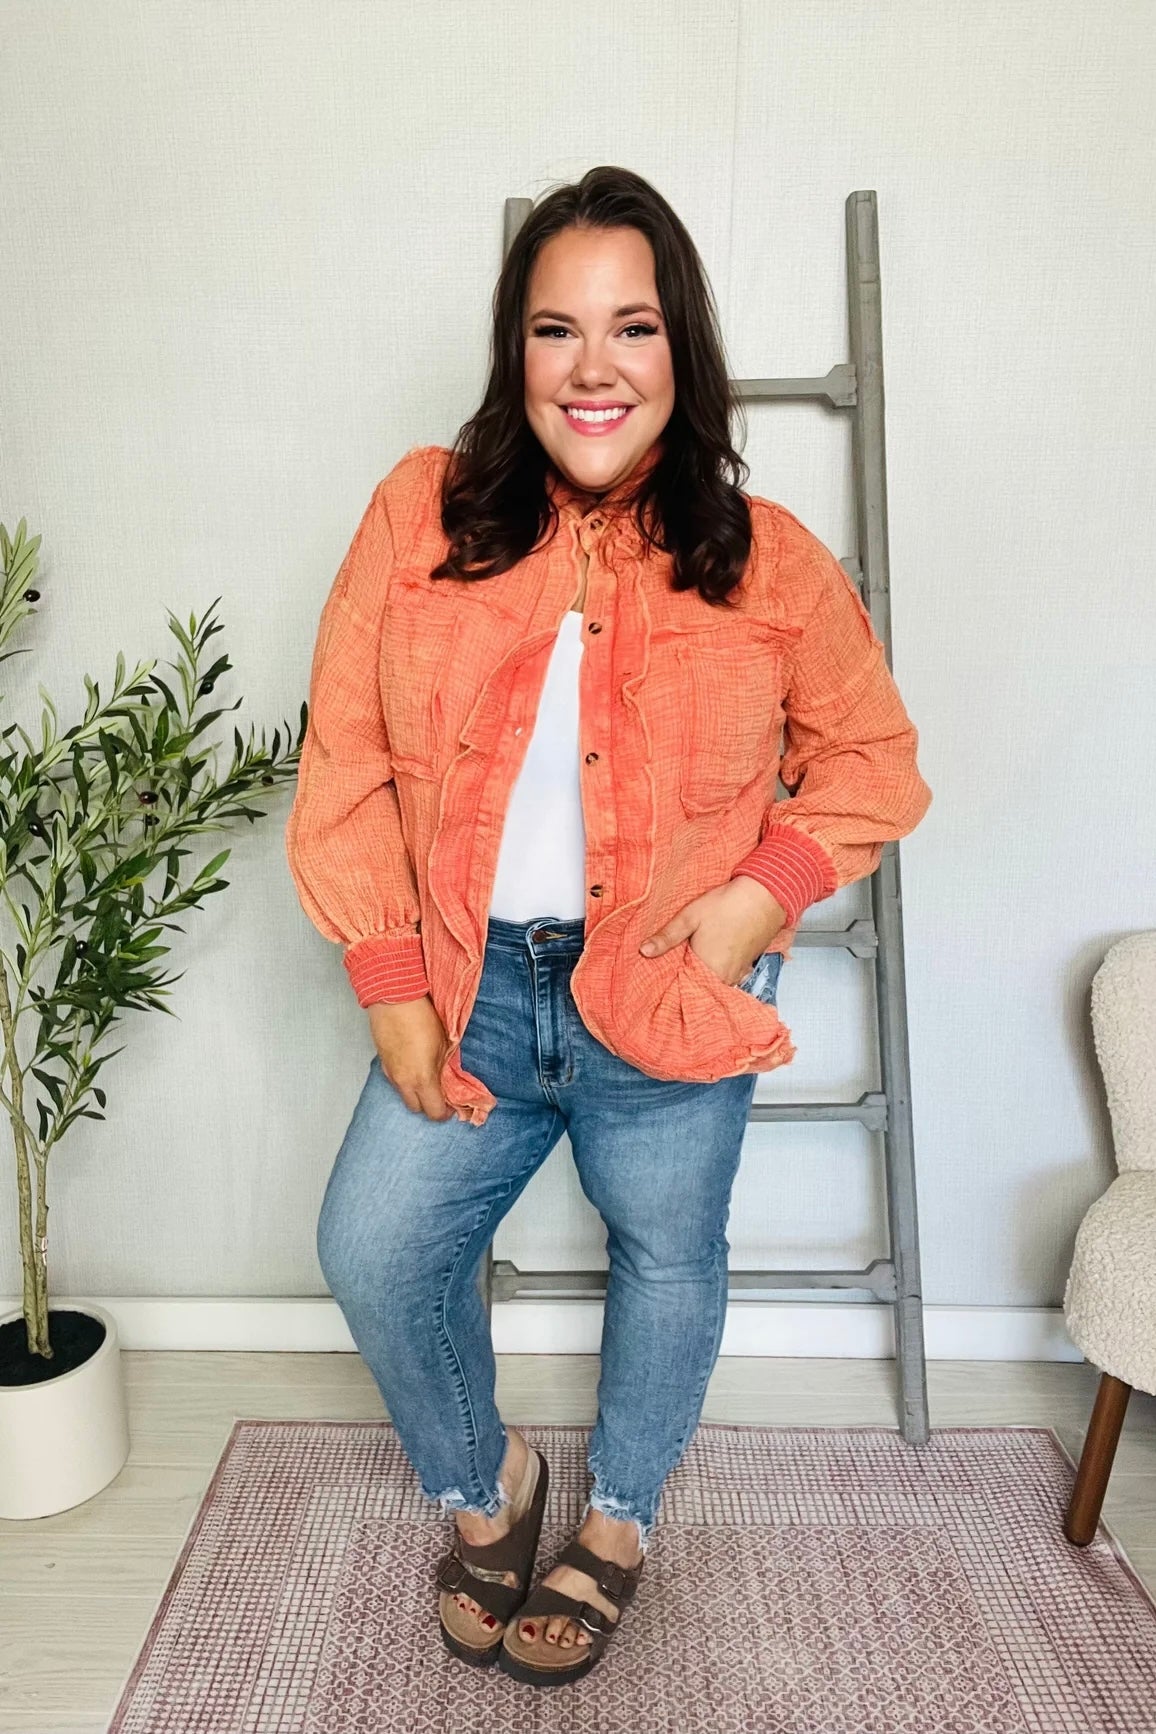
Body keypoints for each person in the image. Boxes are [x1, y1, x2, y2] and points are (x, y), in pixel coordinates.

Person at [285, 164, 932, 1688]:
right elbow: (345, 757)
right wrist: (389, 980)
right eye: (556, 328)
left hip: (668, 988)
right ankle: (488, 1482)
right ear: (514, 352)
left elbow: (873, 762)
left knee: (668, 1257)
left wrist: (747, 902)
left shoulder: (767, 555)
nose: (594, 367)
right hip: (473, 992)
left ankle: (622, 1519)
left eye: (630, 327)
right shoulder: (420, 511)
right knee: (375, 1246)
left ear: (677, 350)